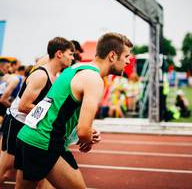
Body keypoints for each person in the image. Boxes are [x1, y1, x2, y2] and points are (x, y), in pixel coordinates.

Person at [14, 32, 133, 189]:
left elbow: (62, 108)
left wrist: (87, 132)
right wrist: (87, 137)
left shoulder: (76, 68)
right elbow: (83, 132)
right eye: (126, 56)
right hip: (45, 142)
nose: (128, 61)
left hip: (27, 136)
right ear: (112, 55)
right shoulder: (93, 79)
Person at [0, 37, 75, 186]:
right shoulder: (41, 75)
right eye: (71, 54)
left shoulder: (56, 77)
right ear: (59, 54)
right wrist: (51, 116)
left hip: (31, 127)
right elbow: (23, 106)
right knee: (5, 169)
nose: (73, 58)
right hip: (16, 122)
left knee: (35, 175)